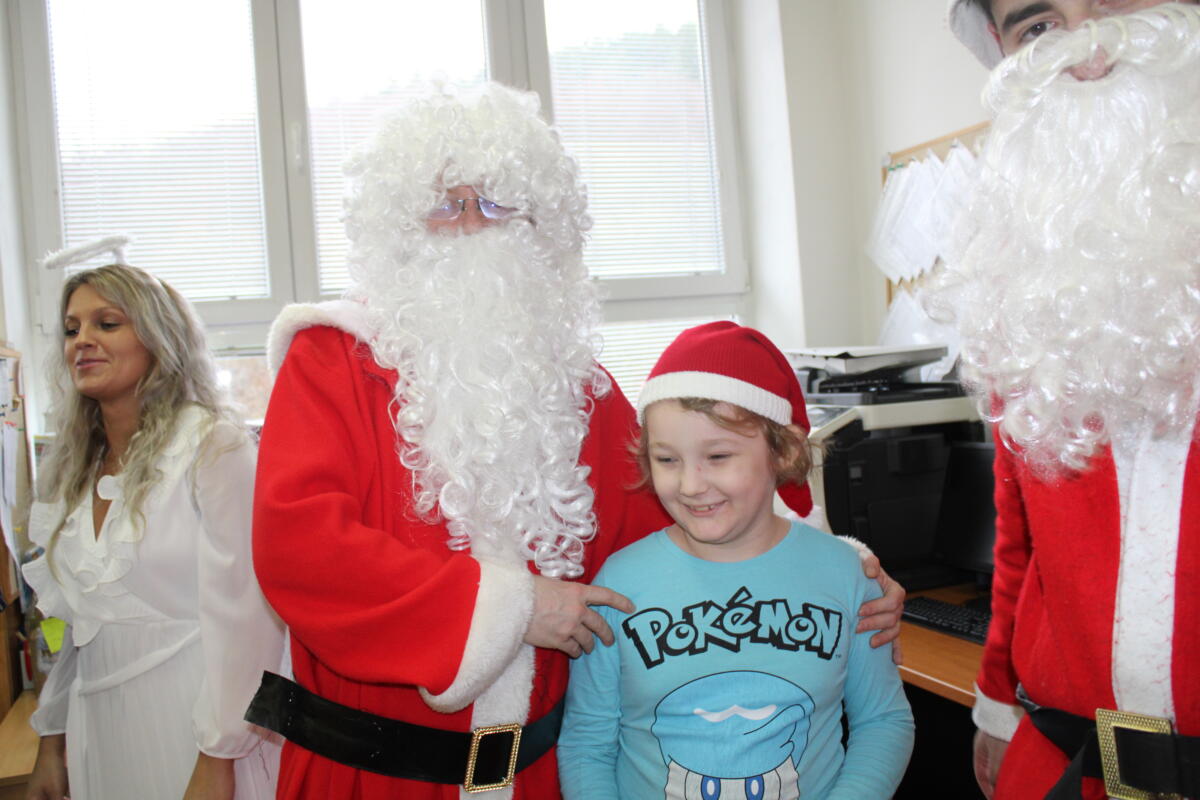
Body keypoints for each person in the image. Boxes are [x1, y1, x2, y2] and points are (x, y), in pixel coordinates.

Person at [248, 82, 906, 799]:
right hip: (368, 779)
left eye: (496, 203)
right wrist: (517, 609)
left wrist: (837, 575)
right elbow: (300, 550)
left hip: (544, 777)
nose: (470, 226)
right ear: (399, 225)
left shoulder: (582, 390)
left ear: (542, 228)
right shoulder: (332, 361)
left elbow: (689, 520)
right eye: (444, 204)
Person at [938, 2, 1200, 798]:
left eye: (1117, 2)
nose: (1091, 53)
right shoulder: (1035, 305)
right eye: (1041, 28)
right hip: (1065, 768)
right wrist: (995, 706)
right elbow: (1018, 546)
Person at [557, 321, 914, 799]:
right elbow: (587, 743)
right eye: (667, 459)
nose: (690, 485)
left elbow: (883, 721)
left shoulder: (846, 575)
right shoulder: (620, 582)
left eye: (718, 456)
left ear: (782, 453)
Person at [21, 256, 285, 800]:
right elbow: (79, 624)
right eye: (71, 329)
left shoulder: (213, 446)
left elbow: (249, 620)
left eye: (106, 323)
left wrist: (217, 757)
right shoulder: (73, 468)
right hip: (100, 729)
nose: (82, 340)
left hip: (195, 723)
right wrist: (52, 738)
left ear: (159, 338)